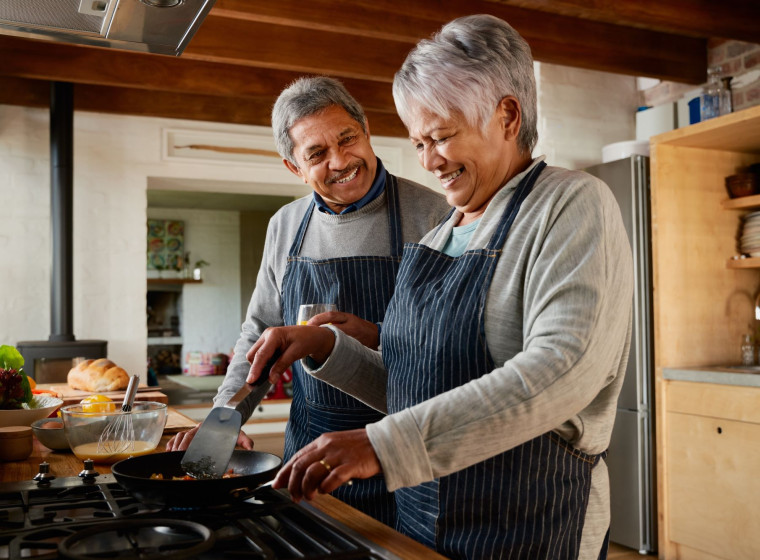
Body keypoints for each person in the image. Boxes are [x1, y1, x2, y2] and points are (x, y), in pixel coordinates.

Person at [247, 14, 634, 560]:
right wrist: (331, 348)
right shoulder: (441, 233)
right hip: (422, 519)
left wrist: (383, 444)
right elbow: (416, 387)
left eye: (443, 137)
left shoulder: (571, 204)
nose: (430, 161)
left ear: (506, 115)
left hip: (526, 523)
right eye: (418, 141)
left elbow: (560, 372)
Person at [166, 76, 450, 525]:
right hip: (309, 454)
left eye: (347, 139)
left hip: (403, 451)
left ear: (366, 130)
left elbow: (450, 350)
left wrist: (377, 337)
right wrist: (225, 418)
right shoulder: (285, 225)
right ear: (293, 167)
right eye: (316, 154)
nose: (340, 161)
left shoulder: (436, 216)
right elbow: (259, 332)